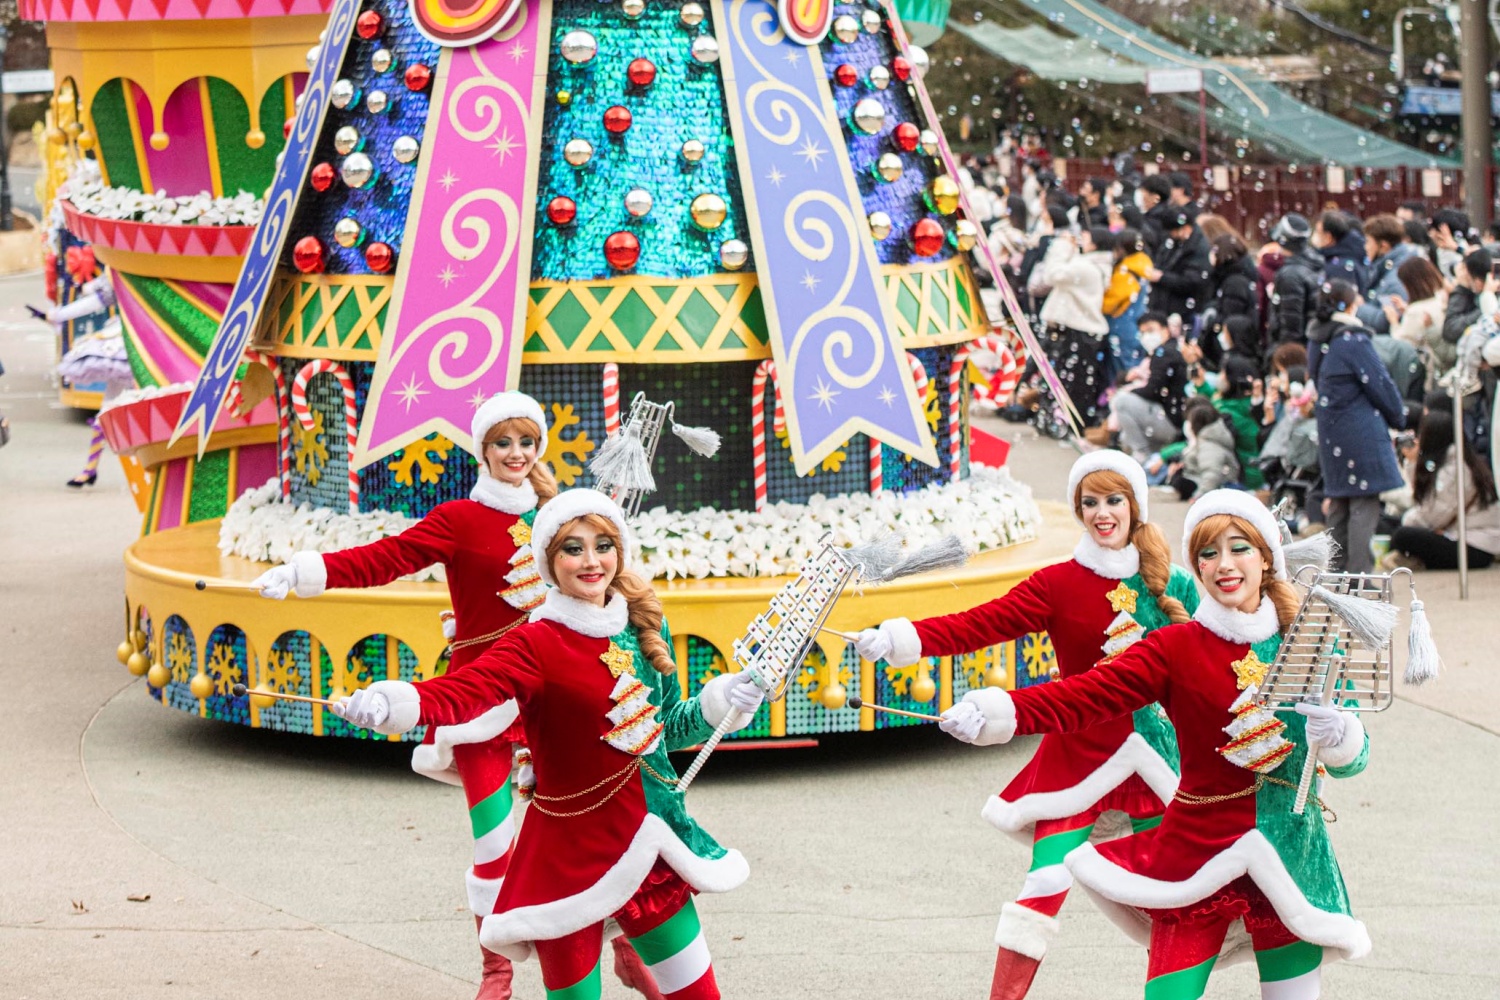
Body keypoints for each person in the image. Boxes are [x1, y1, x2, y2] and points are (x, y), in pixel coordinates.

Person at [935, 491, 1374, 1000]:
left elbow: (1354, 760)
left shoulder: (1312, 643)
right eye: (1208, 554)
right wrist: (1003, 710)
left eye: (1240, 549)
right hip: (1196, 859)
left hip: (1293, 859)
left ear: (1267, 557)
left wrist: (1343, 738)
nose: (1224, 566)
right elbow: (1083, 697)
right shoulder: (1174, 648)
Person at [333, 491, 764, 1000]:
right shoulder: (533, 642)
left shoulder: (643, 625)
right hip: (566, 864)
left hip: (650, 848)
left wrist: (719, 702)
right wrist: (395, 701)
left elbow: (667, 727)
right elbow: (462, 693)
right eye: (572, 549)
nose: (591, 561)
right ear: (548, 561)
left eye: (603, 545)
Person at [250, 392, 578, 1000]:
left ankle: (621, 946)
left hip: (553, 700)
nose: (516, 454)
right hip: (477, 700)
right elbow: (388, 558)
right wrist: (304, 573)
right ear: (482, 449)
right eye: (503, 442)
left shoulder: (560, 520)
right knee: (493, 845)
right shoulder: (458, 518)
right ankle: (496, 974)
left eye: (526, 442)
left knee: (587, 830)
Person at [855, 452, 1198, 1000]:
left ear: (1136, 505)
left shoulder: (1177, 584)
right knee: (1043, 883)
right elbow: (980, 624)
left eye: (1114, 500)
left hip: (1157, 762)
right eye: (1090, 502)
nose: (1102, 513)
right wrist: (902, 638)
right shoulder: (1058, 583)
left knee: (1169, 893)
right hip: (1079, 756)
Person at [1308, 280, 1407, 574]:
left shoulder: (1317, 339)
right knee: (1364, 504)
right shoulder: (1352, 339)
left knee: (1339, 503)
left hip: (1332, 430)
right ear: (1350, 305)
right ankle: (1361, 578)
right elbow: (1380, 384)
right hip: (1360, 431)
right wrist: (1399, 417)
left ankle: (1336, 578)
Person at [1384, 407, 1500, 570]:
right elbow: (1421, 500)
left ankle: (1412, 558)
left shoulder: (1456, 470)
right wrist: (1412, 463)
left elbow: (1431, 516)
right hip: (1455, 533)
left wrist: (1408, 523)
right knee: (1385, 521)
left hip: (1476, 546)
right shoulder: (1449, 461)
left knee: (1402, 535)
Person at [1036, 225, 1112, 428]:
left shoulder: (1085, 267)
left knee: (1070, 382)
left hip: (1079, 332)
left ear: (1095, 243)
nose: (1079, 241)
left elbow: (1050, 274)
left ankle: (1066, 422)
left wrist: (1061, 245)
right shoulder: (1092, 265)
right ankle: (1060, 420)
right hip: (1080, 331)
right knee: (1071, 380)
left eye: (1085, 238)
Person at [1108, 311, 1186, 459]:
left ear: (1165, 329)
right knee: (1125, 436)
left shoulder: (1165, 352)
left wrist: (1130, 391)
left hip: (1170, 422)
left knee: (1122, 401)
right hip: (1169, 419)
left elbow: (1153, 390)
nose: (1147, 336)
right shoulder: (1167, 350)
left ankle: (1143, 456)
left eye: (1151, 330)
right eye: (1143, 332)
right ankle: (1147, 459)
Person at [1355, 213, 1421, 335]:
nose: (1365, 247)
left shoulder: (1397, 277)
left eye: (1368, 242)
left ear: (1383, 246)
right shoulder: (1385, 269)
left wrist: (1358, 307)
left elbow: (1389, 321)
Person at [1146, 209, 1212, 326]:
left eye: (1173, 231)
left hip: (1183, 311)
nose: (1171, 235)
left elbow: (1192, 281)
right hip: (1164, 305)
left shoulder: (1198, 248)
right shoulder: (1174, 242)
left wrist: (1162, 277)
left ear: (1185, 229)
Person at [1266, 214, 1324, 344]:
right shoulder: (1314, 262)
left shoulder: (1290, 275)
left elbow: (1291, 326)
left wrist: (1284, 354)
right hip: (1309, 343)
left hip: (1294, 350)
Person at [1102, 227, 1153, 373]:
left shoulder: (1125, 272)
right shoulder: (1142, 263)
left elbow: (1109, 305)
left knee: (1124, 372)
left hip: (1122, 328)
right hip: (1136, 323)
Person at [1205, 233, 1260, 368]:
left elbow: (1230, 318)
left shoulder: (1234, 282)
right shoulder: (1229, 278)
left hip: (1234, 347)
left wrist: (1213, 323)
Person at [1440, 249, 1496, 377]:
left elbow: (1451, 329)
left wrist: (1461, 289)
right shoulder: (1479, 297)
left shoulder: (1488, 300)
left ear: (1477, 282)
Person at [1169, 399, 1241, 499]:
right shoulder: (1209, 438)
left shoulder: (1209, 445)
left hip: (1212, 487)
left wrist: (1198, 496)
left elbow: (1211, 474)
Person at [1312, 211, 1369, 293]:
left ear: (1328, 237)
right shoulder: (1350, 255)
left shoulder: (1339, 268)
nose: (1314, 236)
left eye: (1317, 232)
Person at [1139, 175, 1174, 254]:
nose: (1141, 198)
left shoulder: (1154, 220)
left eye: (1144, 193)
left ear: (1155, 198)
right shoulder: (1167, 213)